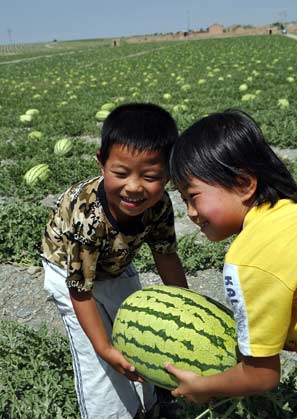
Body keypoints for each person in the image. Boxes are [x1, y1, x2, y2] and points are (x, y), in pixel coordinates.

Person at [41, 103, 188, 419]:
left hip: (115, 262)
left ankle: (151, 405)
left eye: (150, 176)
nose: (134, 187)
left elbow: (165, 255)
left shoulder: (159, 205)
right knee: (99, 361)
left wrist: (186, 310)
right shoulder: (88, 217)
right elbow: (80, 291)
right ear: (101, 163)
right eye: (121, 173)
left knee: (141, 336)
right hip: (69, 269)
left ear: (168, 174)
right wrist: (106, 350)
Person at [165, 108, 297, 404]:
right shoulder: (292, 215)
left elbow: (261, 376)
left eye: (193, 196)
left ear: (244, 184)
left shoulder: (250, 260)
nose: (190, 213)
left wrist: (202, 386)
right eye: (183, 201)